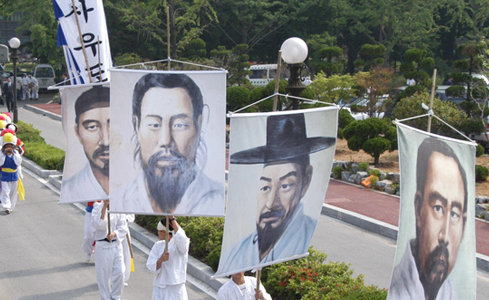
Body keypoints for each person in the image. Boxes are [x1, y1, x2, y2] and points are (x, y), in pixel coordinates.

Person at [220, 113, 334, 273]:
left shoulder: (302, 243)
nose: (271, 203)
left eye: (285, 186)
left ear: (306, 180)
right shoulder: (235, 253)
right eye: (265, 188)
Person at [110, 73, 223, 215]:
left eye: (180, 125)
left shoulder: (217, 200)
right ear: (136, 126)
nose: (165, 141)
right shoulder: (120, 201)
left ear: (198, 125)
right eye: (154, 125)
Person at [381, 138, 469, 300]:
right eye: (438, 208)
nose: (445, 236)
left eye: (454, 214)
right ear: (418, 208)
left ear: (464, 223)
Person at [61, 86, 110, 201]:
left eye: (113, 125)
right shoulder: (71, 190)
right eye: (92, 127)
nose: (105, 141)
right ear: (77, 132)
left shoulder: (146, 191)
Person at [147, 216, 190, 300]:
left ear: (163, 232)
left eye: (159, 231)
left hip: (176, 288)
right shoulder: (158, 245)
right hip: (160, 287)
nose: (158, 234)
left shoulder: (179, 246)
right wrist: (161, 259)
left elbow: (182, 239)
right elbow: (151, 266)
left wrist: (172, 219)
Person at [91, 200, 127, 300]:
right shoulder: (97, 206)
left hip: (116, 244)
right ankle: (105, 299)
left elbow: (123, 227)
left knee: (120, 272)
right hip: (102, 245)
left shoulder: (118, 207)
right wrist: (104, 208)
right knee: (103, 274)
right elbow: (98, 225)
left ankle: (116, 295)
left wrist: (114, 233)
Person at [0, 132, 23, 214]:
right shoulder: (1, 153)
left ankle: (11, 206)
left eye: (10, 146)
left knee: (13, 193)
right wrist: (3, 154)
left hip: (14, 175)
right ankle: (6, 206)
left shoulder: (16, 153)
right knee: (5, 192)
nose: (9, 147)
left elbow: (18, 162)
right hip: (5, 175)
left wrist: (14, 154)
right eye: (7, 146)